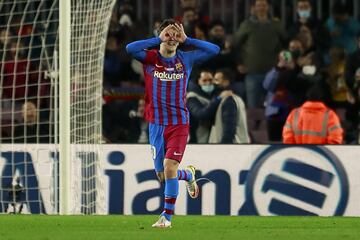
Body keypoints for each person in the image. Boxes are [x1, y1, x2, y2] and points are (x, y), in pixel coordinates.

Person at [126, 19, 219, 227]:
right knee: (163, 175)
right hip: (156, 124)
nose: (172, 39)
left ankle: (166, 218)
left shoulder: (185, 59)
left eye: (175, 36)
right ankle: (188, 174)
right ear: (160, 37)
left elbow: (215, 50)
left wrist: (188, 39)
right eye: (168, 35)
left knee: (169, 169)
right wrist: (158, 38)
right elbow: (130, 48)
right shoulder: (150, 58)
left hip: (178, 123)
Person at [234, 0, 286, 108]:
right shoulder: (247, 24)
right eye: (259, 5)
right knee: (253, 110)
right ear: (254, 8)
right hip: (252, 72)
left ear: (268, 7)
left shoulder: (277, 24)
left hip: (273, 73)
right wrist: (239, 62)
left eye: (264, 5)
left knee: (273, 109)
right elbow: (236, 44)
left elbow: (285, 43)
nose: (261, 8)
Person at [187, 69, 231, 143]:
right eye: (204, 80)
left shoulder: (216, 93)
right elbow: (201, 115)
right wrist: (218, 99)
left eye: (210, 80)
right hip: (198, 140)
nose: (208, 83)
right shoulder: (192, 98)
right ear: (198, 81)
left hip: (215, 136)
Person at [209, 68, 250, 143]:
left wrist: (224, 147)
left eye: (217, 80)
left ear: (225, 81)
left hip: (231, 145)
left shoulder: (229, 101)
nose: (213, 82)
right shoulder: (236, 98)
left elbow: (229, 130)